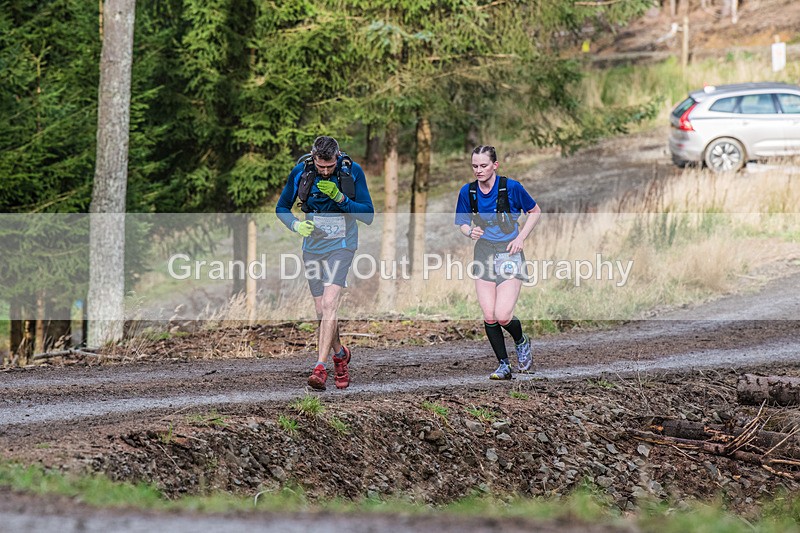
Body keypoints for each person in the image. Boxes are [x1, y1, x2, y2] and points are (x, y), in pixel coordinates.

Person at [276, 136, 374, 390]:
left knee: (330, 303)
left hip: (342, 245)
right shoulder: (301, 171)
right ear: (313, 157)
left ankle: (320, 369)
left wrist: (342, 200)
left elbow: (369, 215)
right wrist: (296, 225)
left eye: (330, 166)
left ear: (337, 156)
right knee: (321, 310)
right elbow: (281, 208)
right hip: (313, 247)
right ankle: (340, 354)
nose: (326, 171)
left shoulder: (352, 172)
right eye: (321, 167)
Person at [454, 145, 541, 380]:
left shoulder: (511, 187)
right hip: (483, 253)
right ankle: (504, 365)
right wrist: (468, 231)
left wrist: (521, 238)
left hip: (509, 252)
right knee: (489, 315)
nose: (479, 170)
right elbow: (462, 222)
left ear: (495, 165)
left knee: (503, 315)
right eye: (474, 166)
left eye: (483, 165)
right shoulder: (468, 192)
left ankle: (521, 340)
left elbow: (535, 211)